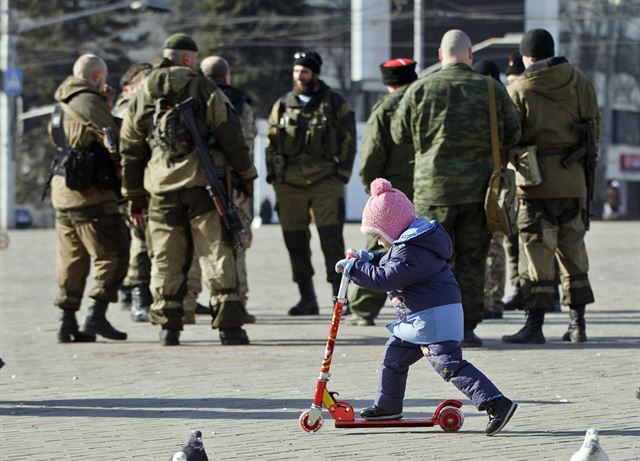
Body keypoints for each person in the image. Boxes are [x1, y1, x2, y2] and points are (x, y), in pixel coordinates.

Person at [335, 178, 517, 436]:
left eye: (378, 237)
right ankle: (388, 406)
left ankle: (496, 403)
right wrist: (366, 258)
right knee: (394, 357)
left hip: (435, 320)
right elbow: (387, 260)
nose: (378, 243)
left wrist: (355, 269)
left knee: (448, 364)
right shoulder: (410, 245)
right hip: (420, 321)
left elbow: (387, 277)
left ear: (392, 229)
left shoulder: (412, 252)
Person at [120, 33, 257, 346]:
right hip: (203, 187)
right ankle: (230, 328)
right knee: (216, 252)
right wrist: (246, 176)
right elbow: (230, 134)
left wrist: (133, 196)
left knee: (166, 257)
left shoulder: (144, 91)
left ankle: (169, 328)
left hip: (160, 191)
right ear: (186, 59)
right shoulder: (202, 86)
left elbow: (129, 147)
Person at [391, 30, 521, 346]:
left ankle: (431, 326)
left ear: (439, 55)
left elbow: (398, 134)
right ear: (470, 56)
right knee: (473, 259)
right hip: (480, 193)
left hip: (433, 192)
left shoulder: (419, 89)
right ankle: (467, 328)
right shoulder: (491, 89)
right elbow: (513, 134)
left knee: (430, 261)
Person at [503, 29, 600, 344]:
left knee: (536, 252)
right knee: (573, 250)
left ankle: (535, 326)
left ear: (527, 57)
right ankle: (577, 324)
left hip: (535, 185)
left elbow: (509, 138)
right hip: (575, 182)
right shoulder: (580, 81)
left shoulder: (519, 88)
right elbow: (594, 129)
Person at [265, 51, 356, 315]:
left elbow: (349, 141)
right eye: (296, 71)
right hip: (290, 184)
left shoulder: (335, 103)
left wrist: (342, 175)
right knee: (295, 241)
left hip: (326, 180)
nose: (299, 75)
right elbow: (271, 143)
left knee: (331, 240)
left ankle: (339, 298)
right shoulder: (282, 105)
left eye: (304, 71)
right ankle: (307, 298)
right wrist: (275, 177)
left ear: (315, 73)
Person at [48, 54, 129, 342]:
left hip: (63, 193)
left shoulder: (61, 101)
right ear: (97, 77)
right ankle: (96, 314)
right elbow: (115, 140)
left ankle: (66, 322)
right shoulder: (89, 101)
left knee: (72, 259)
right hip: (90, 195)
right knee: (116, 252)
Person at [348, 58, 417, 327]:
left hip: (393, 189)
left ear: (388, 81)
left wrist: (374, 191)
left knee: (378, 246)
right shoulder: (426, 102)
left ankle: (364, 309)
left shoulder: (386, 108)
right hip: (428, 187)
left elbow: (371, 155)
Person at [198, 55, 258, 324]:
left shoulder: (196, 99)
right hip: (232, 182)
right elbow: (246, 141)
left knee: (199, 241)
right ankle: (238, 302)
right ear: (227, 76)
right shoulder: (239, 102)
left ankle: (188, 302)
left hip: (199, 180)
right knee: (236, 241)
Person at [113, 62, 154, 322]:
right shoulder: (127, 110)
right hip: (133, 188)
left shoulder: (148, 106)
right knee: (140, 243)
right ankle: (139, 295)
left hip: (153, 184)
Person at [472, 59, 507, 320]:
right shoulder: (504, 101)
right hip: (498, 181)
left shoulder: (474, 99)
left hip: (473, 183)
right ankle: (495, 300)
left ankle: (479, 301)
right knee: (496, 244)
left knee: (475, 246)